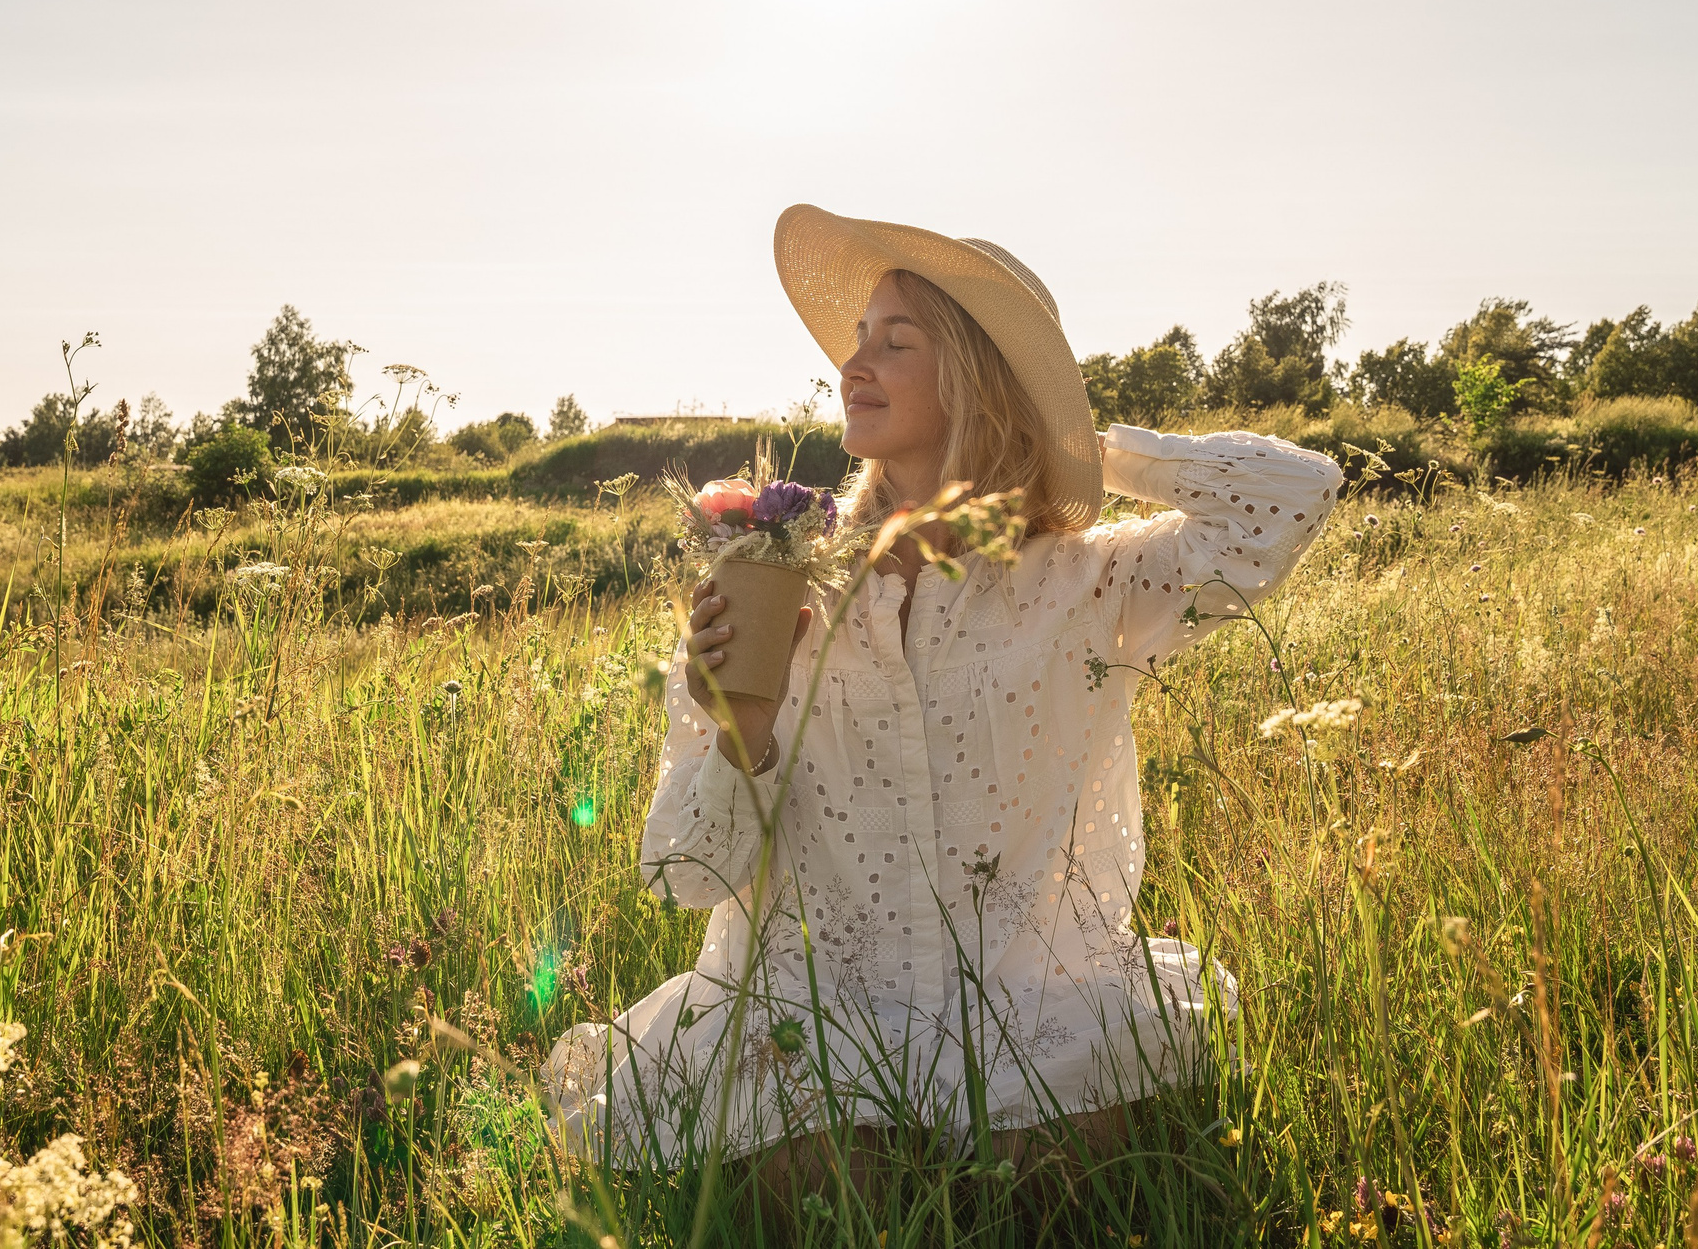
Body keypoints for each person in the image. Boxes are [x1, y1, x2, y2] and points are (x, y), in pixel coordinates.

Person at [544, 205, 1343, 1176]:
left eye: (896, 340)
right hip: (812, 1024)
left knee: (1046, 1163)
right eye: (856, 339)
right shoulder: (772, 587)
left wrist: (1074, 435)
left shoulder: (1085, 582)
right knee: (833, 1163)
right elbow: (681, 877)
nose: (852, 364)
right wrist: (741, 732)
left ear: (975, 377)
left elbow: (1292, 496)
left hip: (1024, 1010)